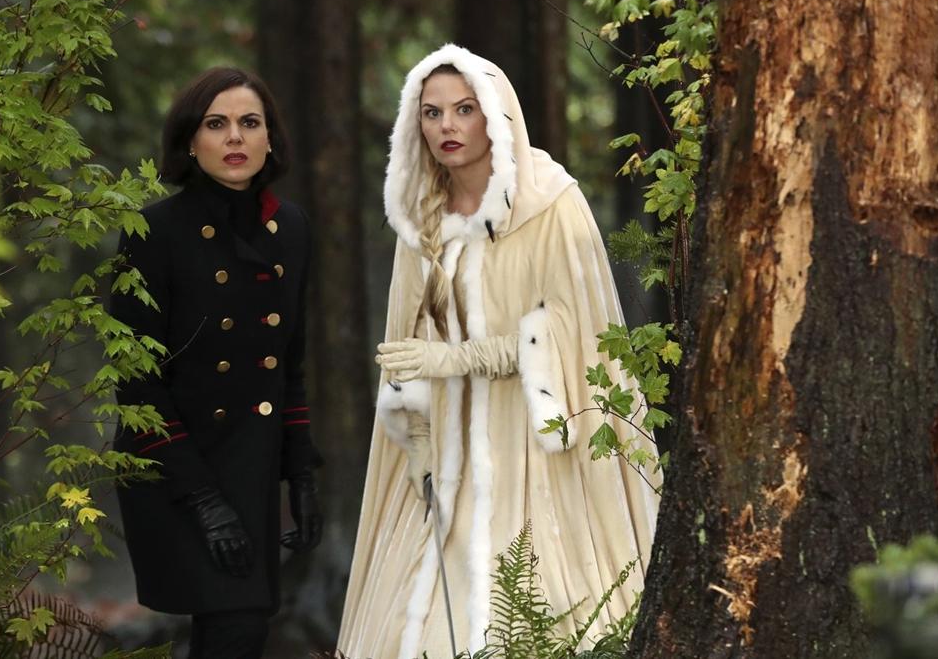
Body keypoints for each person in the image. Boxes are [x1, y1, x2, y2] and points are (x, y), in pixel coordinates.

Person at [337, 44, 659, 658]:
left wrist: (460, 359)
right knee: (426, 617)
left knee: (542, 606)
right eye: (432, 113)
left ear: (496, 114)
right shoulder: (420, 219)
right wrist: (416, 434)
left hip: (537, 451)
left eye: (465, 109)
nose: (448, 126)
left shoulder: (552, 203)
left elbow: (575, 335)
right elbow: (408, 339)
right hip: (449, 448)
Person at [109, 67, 323, 659]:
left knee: (239, 627)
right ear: (189, 141)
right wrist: (203, 500)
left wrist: (301, 478)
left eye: (249, 123)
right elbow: (136, 382)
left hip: (250, 464)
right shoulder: (153, 231)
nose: (234, 137)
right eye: (216, 124)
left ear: (270, 139)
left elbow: (288, 367)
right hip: (175, 463)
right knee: (237, 626)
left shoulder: (292, 229)